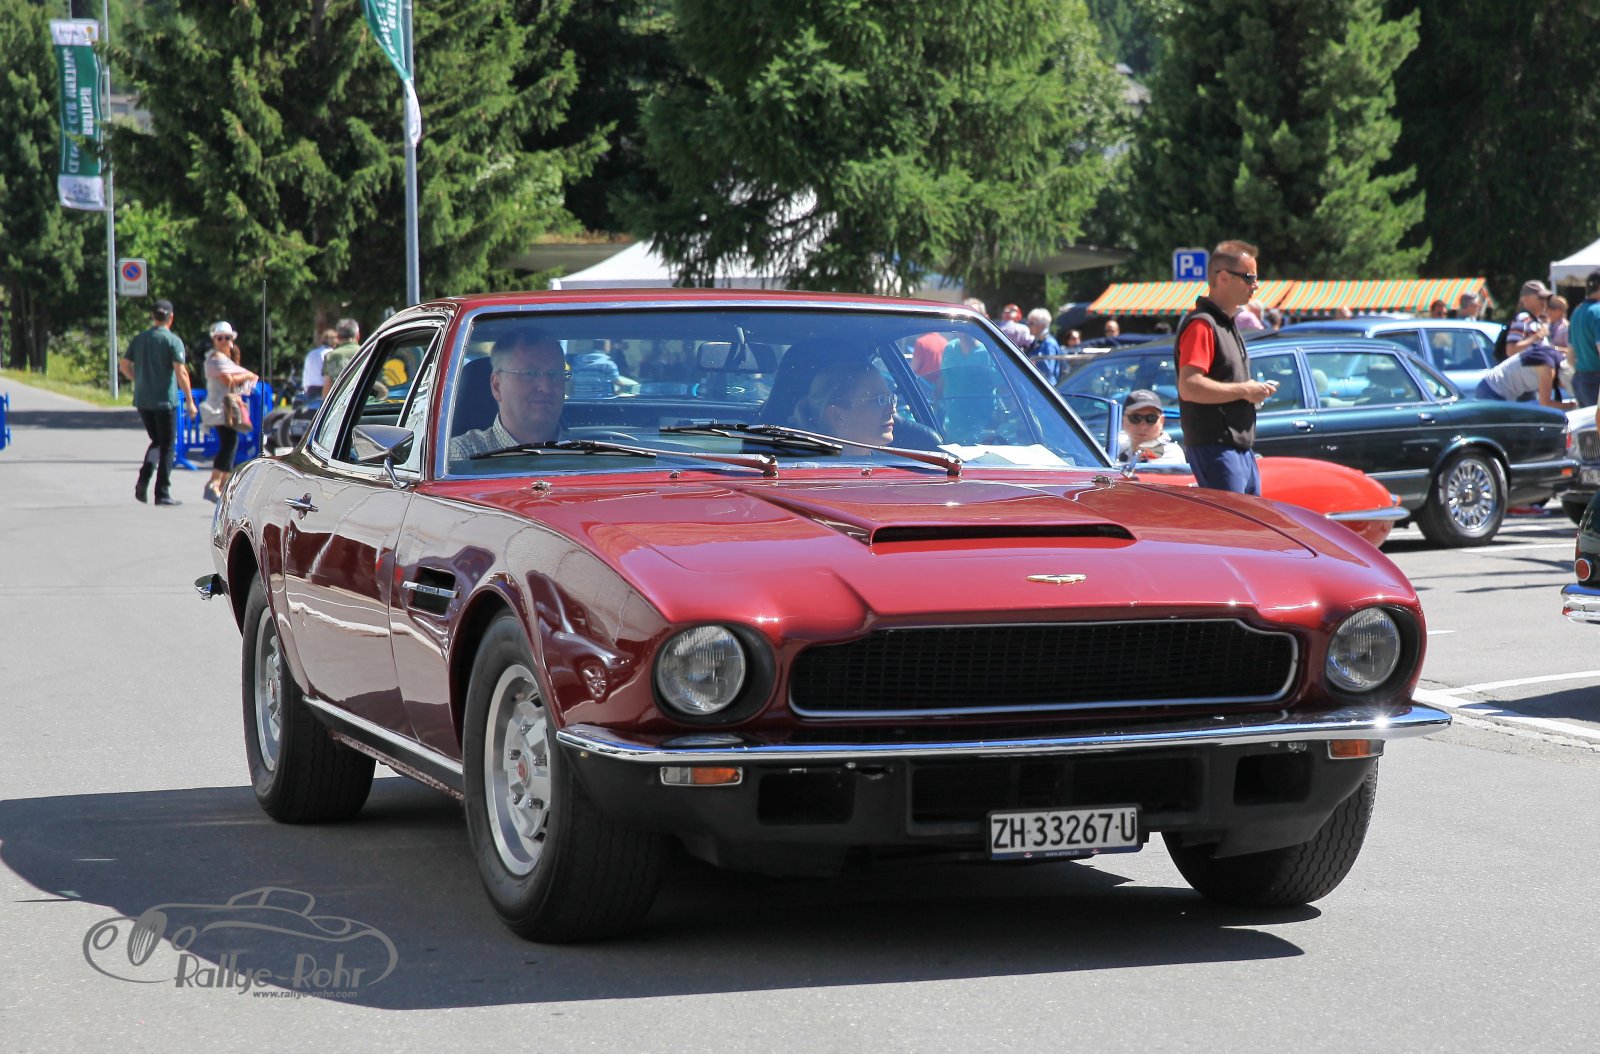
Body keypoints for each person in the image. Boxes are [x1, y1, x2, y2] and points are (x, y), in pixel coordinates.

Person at [1175, 239, 1276, 496]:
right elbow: (1190, 386)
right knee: (1232, 521)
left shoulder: (1225, 323)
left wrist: (1250, 391)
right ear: (1222, 278)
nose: (1255, 285)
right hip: (1217, 447)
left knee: (1249, 520)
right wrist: (1245, 390)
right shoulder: (1202, 325)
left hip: (1237, 447)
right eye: (1248, 277)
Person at [118, 298, 195, 506]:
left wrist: (138, 379)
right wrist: (189, 400)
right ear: (171, 317)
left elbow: (124, 365)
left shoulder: (140, 339)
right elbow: (181, 372)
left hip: (143, 400)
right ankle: (162, 492)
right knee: (168, 446)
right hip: (165, 401)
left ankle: (143, 481)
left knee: (157, 441)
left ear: (153, 316)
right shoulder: (172, 341)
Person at [447, 328, 567, 461]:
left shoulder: (585, 451)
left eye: (555, 374)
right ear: (497, 386)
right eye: (529, 374)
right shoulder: (462, 455)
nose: (546, 387)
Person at [197, 321, 259, 502]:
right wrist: (246, 375)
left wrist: (243, 376)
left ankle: (222, 483)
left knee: (231, 444)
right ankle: (214, 483)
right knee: (228, 444)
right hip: (219, 408)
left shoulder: (226, 360)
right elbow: (227, 380)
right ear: (214, 340)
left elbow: (234, 378)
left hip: (227, 408)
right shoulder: (215, 359)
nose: (224, 341)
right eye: (220, 338)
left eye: (227, 337)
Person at [795, 360, 897, 448]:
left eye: (891, 398)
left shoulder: (895, 460)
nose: (892, 410)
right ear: (837, 415)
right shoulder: (808, 465)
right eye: (879, 400)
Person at [1474, 340, 1571, 409]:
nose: (1562, 387)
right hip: (1493, 393)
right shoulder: (1548, 369)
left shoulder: (1554, 355)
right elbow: (1545, 404)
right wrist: (1572, 405)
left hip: (1491, 388)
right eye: (1564, 386)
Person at [1116, 389, 1185, 466]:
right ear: (1123, 420)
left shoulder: (1171, 452)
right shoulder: (1118, 449)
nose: (1143, 426)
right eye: (1135, 418)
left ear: (1161, 421)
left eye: (1151, 418)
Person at [1500, 280, 1553, 363]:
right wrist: (1537, 336)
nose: (1544, 301)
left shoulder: (1536, 320)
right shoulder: (1523, 318)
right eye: (1541, 297)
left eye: (1546, 298)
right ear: (1525, 298)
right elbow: (1511, 350)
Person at [1569, 271, 1600, 407]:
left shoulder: (1577, 312)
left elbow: (1570, 357)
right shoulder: (1598, 312)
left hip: (1580, 380)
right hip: (1596, 382)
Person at [1024, 307, 1062, 385]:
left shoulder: (1049, 344)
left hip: (1044, 387)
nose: (1028, 326)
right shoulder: (1037, 342)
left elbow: (1047, 372)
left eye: (1031, 323)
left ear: (1042, 325)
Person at [319, 318, 362, 385]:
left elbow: (328, 384)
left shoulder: (331, 356)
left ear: (338, 337)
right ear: (358, 336)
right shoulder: (368, 351)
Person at [300, 327, 336, 400]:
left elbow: (305, 374)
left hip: (311, 389)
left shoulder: (311, 354)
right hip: (325, 389)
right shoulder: (331, 354)